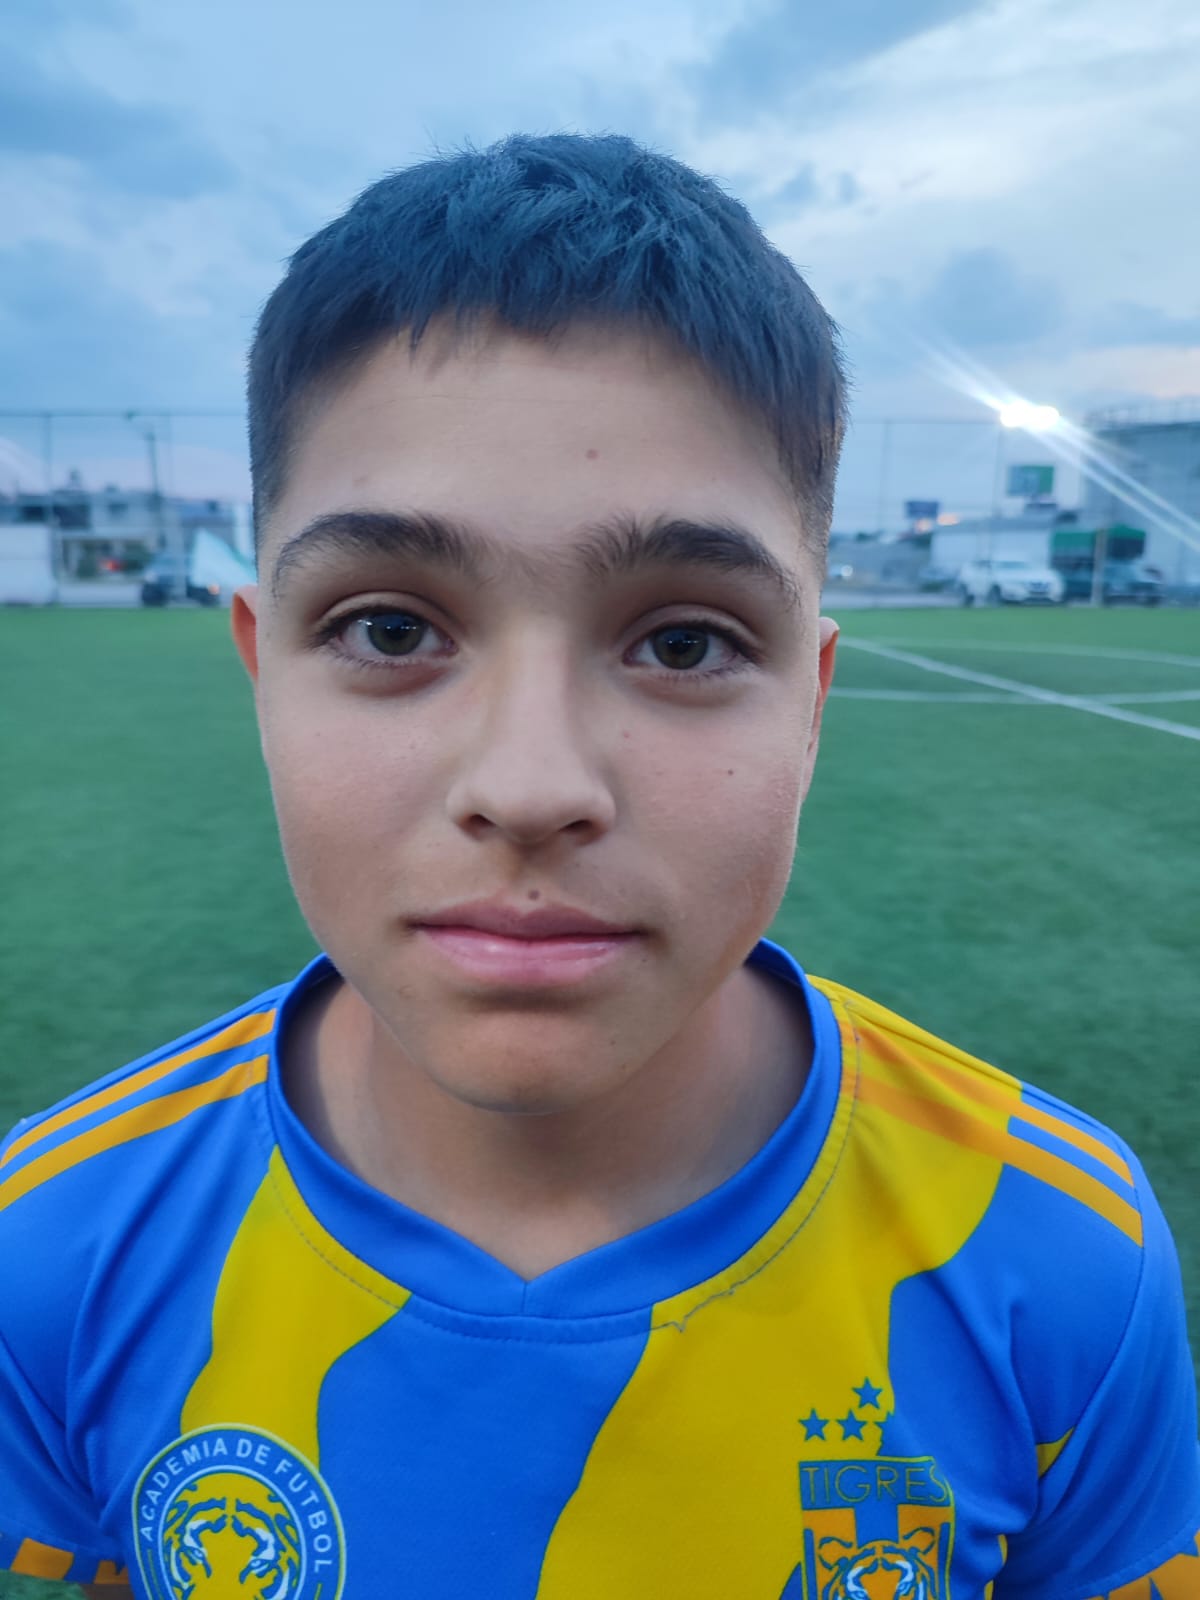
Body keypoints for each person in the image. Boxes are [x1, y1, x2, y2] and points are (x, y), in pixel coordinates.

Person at [0, 134, 1196, 1600]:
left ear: (812, 702)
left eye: (684, 642)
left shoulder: (1055, 1254)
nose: (531, 787)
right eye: (389, 629)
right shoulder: (55, 1243)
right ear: (264, 673)